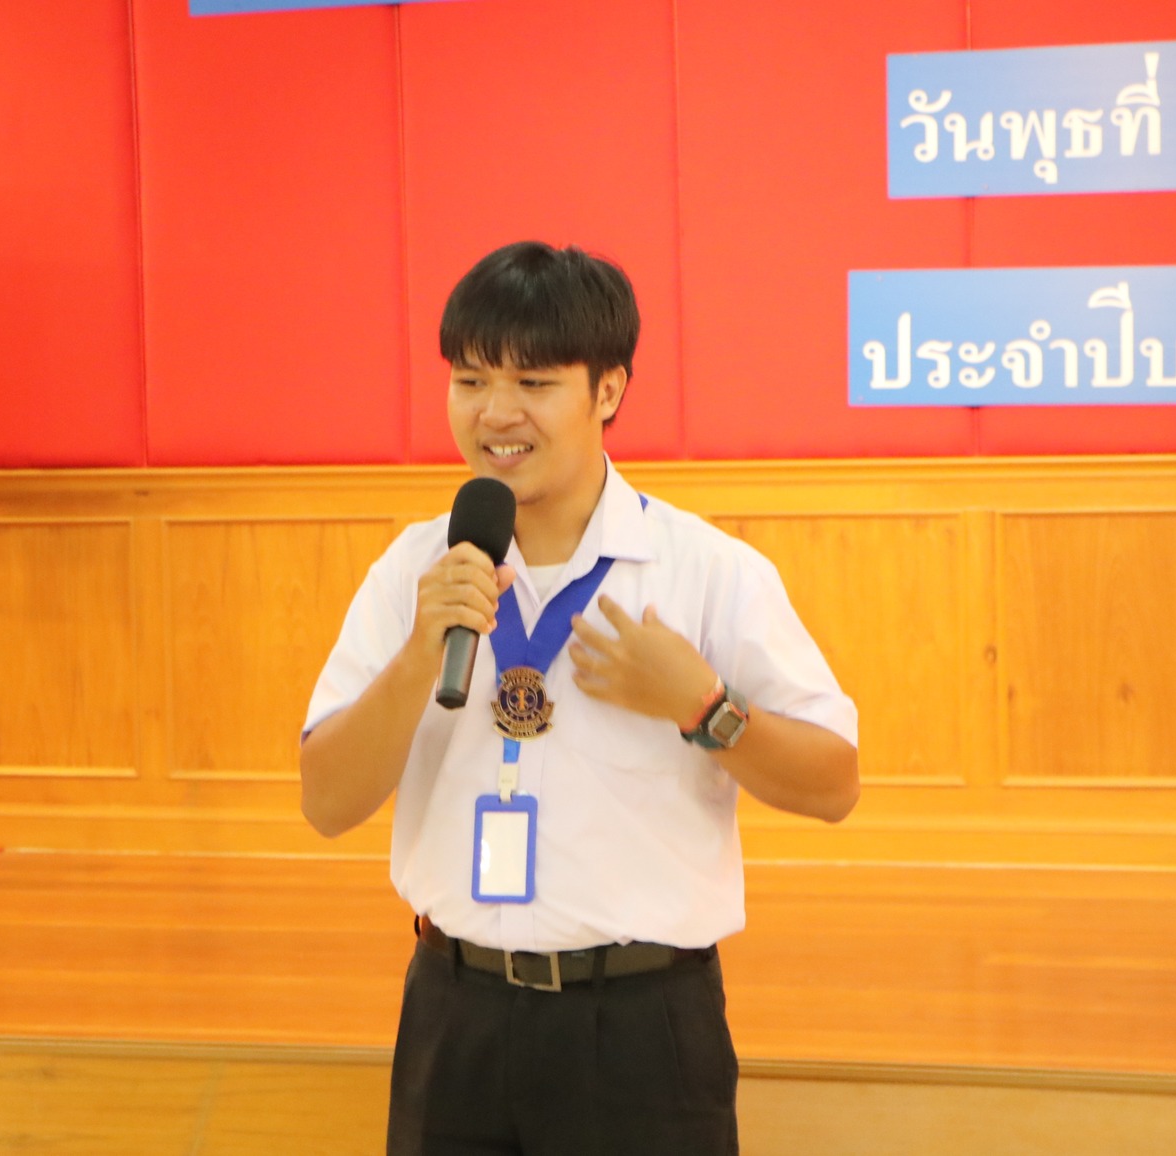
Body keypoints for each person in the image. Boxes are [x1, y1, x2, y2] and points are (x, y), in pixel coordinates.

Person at [301, 241, 859, 1155]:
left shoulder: (705, 571)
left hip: (641, 1031)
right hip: (455, 1016)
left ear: (608, 390)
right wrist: (418, 655)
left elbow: (833, 783)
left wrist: (703, 708)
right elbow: (326, 801)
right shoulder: (415, 570)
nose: (496, 413)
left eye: (533, 382)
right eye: (470, 380)